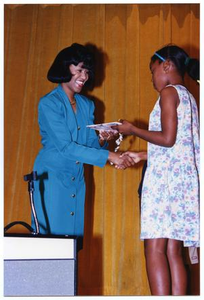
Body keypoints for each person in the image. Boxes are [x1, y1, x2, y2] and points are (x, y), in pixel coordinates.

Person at [114, 45, 200, 295]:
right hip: (182, 183)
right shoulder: (189, 97)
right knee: (173, 252)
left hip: (164, 186)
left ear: (166, 66)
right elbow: (178, 148)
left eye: (152, 72)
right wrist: (140, 155)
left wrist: (132, 130)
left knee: (154, 250)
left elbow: (168, 138)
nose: (152, 79)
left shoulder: (168, 93)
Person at [32, 43, 135, 237]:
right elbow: (67, 147)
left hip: (77, 180)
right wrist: (111, 156)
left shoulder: (87, 105)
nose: (84, 77)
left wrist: (103, 139)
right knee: (50, 245)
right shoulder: (49, 103)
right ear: (65, 68)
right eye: (79, 69)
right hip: (51, 178)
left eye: (87, 71)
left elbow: (89, 146)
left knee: (72, 243)